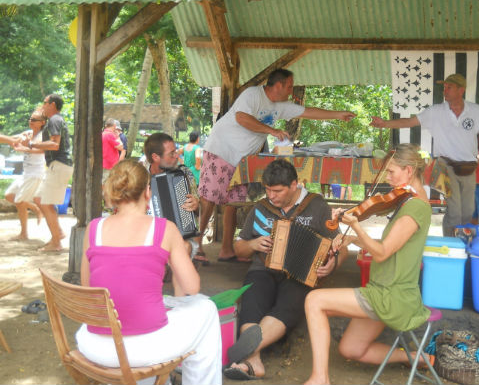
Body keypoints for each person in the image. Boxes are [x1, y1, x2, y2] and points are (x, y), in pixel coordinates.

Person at [75, 160, 222, 385]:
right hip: (141, 348)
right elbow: (192, 288)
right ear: (147, 191)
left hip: (94, 344)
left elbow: (88, 289)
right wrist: (176, 254)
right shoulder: (165, 229)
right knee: (207, 309)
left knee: (153, 310)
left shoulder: (94, 228)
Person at [303, 144, 432, 385]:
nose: (388, 177)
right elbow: (390, 246)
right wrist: (352, 238)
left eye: (392, 171)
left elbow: (382, 253)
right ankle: (416, 357)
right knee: (351, 349)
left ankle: (320, 378)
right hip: (386, 290)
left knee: (314, 301)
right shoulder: (409, 202)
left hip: (390, 295)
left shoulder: (415, 207)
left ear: (409, 170)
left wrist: (356, 226)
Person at [196, 68, 356, 262]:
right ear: (278, 85)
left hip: (241, 160)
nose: (291, 91)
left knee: (232, 203)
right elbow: (242, 118)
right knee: (209, 199)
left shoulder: (280, 106)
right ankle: (197, 247)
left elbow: (307, 112)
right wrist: (271, 130)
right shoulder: (253, 94)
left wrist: (338, 114)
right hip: (221, 150)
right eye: (289, 86)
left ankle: (227, 250)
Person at [223, 159, 348, 380]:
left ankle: (248, 355)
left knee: (289, 303)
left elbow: (341, 245)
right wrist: (251, 245)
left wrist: (333, 264)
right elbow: (239, 248)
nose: (271, 196)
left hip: (300, 275)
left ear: (294, 185)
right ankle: (254, 361)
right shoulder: (261, 207)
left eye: (277, 191)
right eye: (268, 190)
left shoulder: (316, 206)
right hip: (262, 269)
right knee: (252, 299)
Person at [371, 73, 479, 237]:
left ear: (461, 90)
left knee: (466, 210)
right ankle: (451, 243)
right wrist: (385, 124)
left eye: (449, 87)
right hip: (446, 166)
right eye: (444, 87)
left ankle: (462, 243)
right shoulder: (435, 111)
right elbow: (409, 122)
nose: (445, 90)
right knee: (455, 207)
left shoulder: (475, 110)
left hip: (468, 168)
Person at [15, 94, 74, 251]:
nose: (43, 105)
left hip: (59, 164)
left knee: (45, 202)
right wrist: (31, 145)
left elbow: (54, 145)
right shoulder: (55, 120)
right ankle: (57, 234)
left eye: (45, 103)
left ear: (52, 104)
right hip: (58, 165)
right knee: (40, 199)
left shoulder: (54, 120)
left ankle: (56, 242)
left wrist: (32, 144)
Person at [143, 132, 204, 264]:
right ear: (155, 157)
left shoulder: (184, 173)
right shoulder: (138, 175)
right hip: (144, 236)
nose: (177, 156)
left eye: (176, 151)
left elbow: (199, 213)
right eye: (171, 153)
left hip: (177, 237)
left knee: (186, 246)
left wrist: (196, 206)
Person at [5, 109, 46, 240]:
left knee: (19, 201)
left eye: (34, 120)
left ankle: (24, 233)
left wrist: (25, 146)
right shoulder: (27, 133)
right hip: (26, 173)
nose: (31, 121)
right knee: (9, 195)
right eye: (30, 119)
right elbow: (13, 140)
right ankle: (35, 208)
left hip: (35, 173)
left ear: (42, 123)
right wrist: (15, 141)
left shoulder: (43, 136)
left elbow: (42, 150)